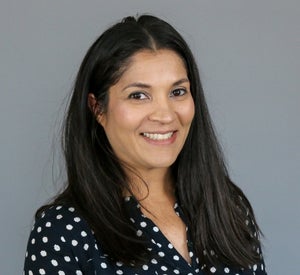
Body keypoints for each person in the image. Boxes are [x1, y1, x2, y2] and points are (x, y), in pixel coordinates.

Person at [24, 15, 267, 274]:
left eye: (178, 92)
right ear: (98, 109)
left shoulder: (228, 208)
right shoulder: (62, 233)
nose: (165, 115)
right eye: (138, 95)